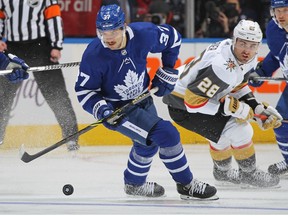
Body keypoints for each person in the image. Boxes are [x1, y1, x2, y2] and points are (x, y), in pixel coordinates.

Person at [75, 4, 218, 200]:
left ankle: (134, 184)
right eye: (103, 32)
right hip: (119, 111)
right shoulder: (94, 55)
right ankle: (186, 185)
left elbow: (173, 38)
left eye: (113, 31)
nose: (108, 38)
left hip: (143, 98)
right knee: (167, 134)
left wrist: (168, 69)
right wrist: (101, 109)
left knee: (147, 144)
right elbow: (85, 91)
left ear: (123, 27)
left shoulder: (143, 34)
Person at [163, 19, 283, 188]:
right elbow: (193, 102)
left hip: (191, 97)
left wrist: (256, 107)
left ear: (258, 46)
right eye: (242, 43)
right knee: (240, 129)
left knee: (220, 132)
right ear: (235, 40)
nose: (247, 50)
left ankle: (222, 172)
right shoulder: (222, 66)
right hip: (181, 105)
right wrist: (236, 109)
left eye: (252, 45)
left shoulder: (241, 57)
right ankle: (249, 174)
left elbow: (236, 86)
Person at [0, 0, 79, 151]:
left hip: (40, 47)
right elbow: (1, 16)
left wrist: (56, 45)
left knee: (57, 93)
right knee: (2, 96)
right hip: (13, 48)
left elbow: (54, 17)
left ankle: (71, 138)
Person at [249, 0, 288, 176]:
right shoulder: (273, 29)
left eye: (286, 10)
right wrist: (263, 70)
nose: (281, 15)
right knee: (280, 122)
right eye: (277, 10)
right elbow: (276, 54)